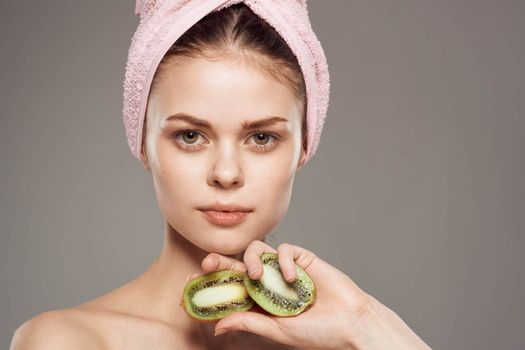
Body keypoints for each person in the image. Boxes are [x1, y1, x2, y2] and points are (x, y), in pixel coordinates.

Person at [10, 2, 431, 349]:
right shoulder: (69, 341)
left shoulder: (342, 340)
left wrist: (365, 323)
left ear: (304, 146)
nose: (226, 173)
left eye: (262, 137)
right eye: (190, 135)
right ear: (141, 141)